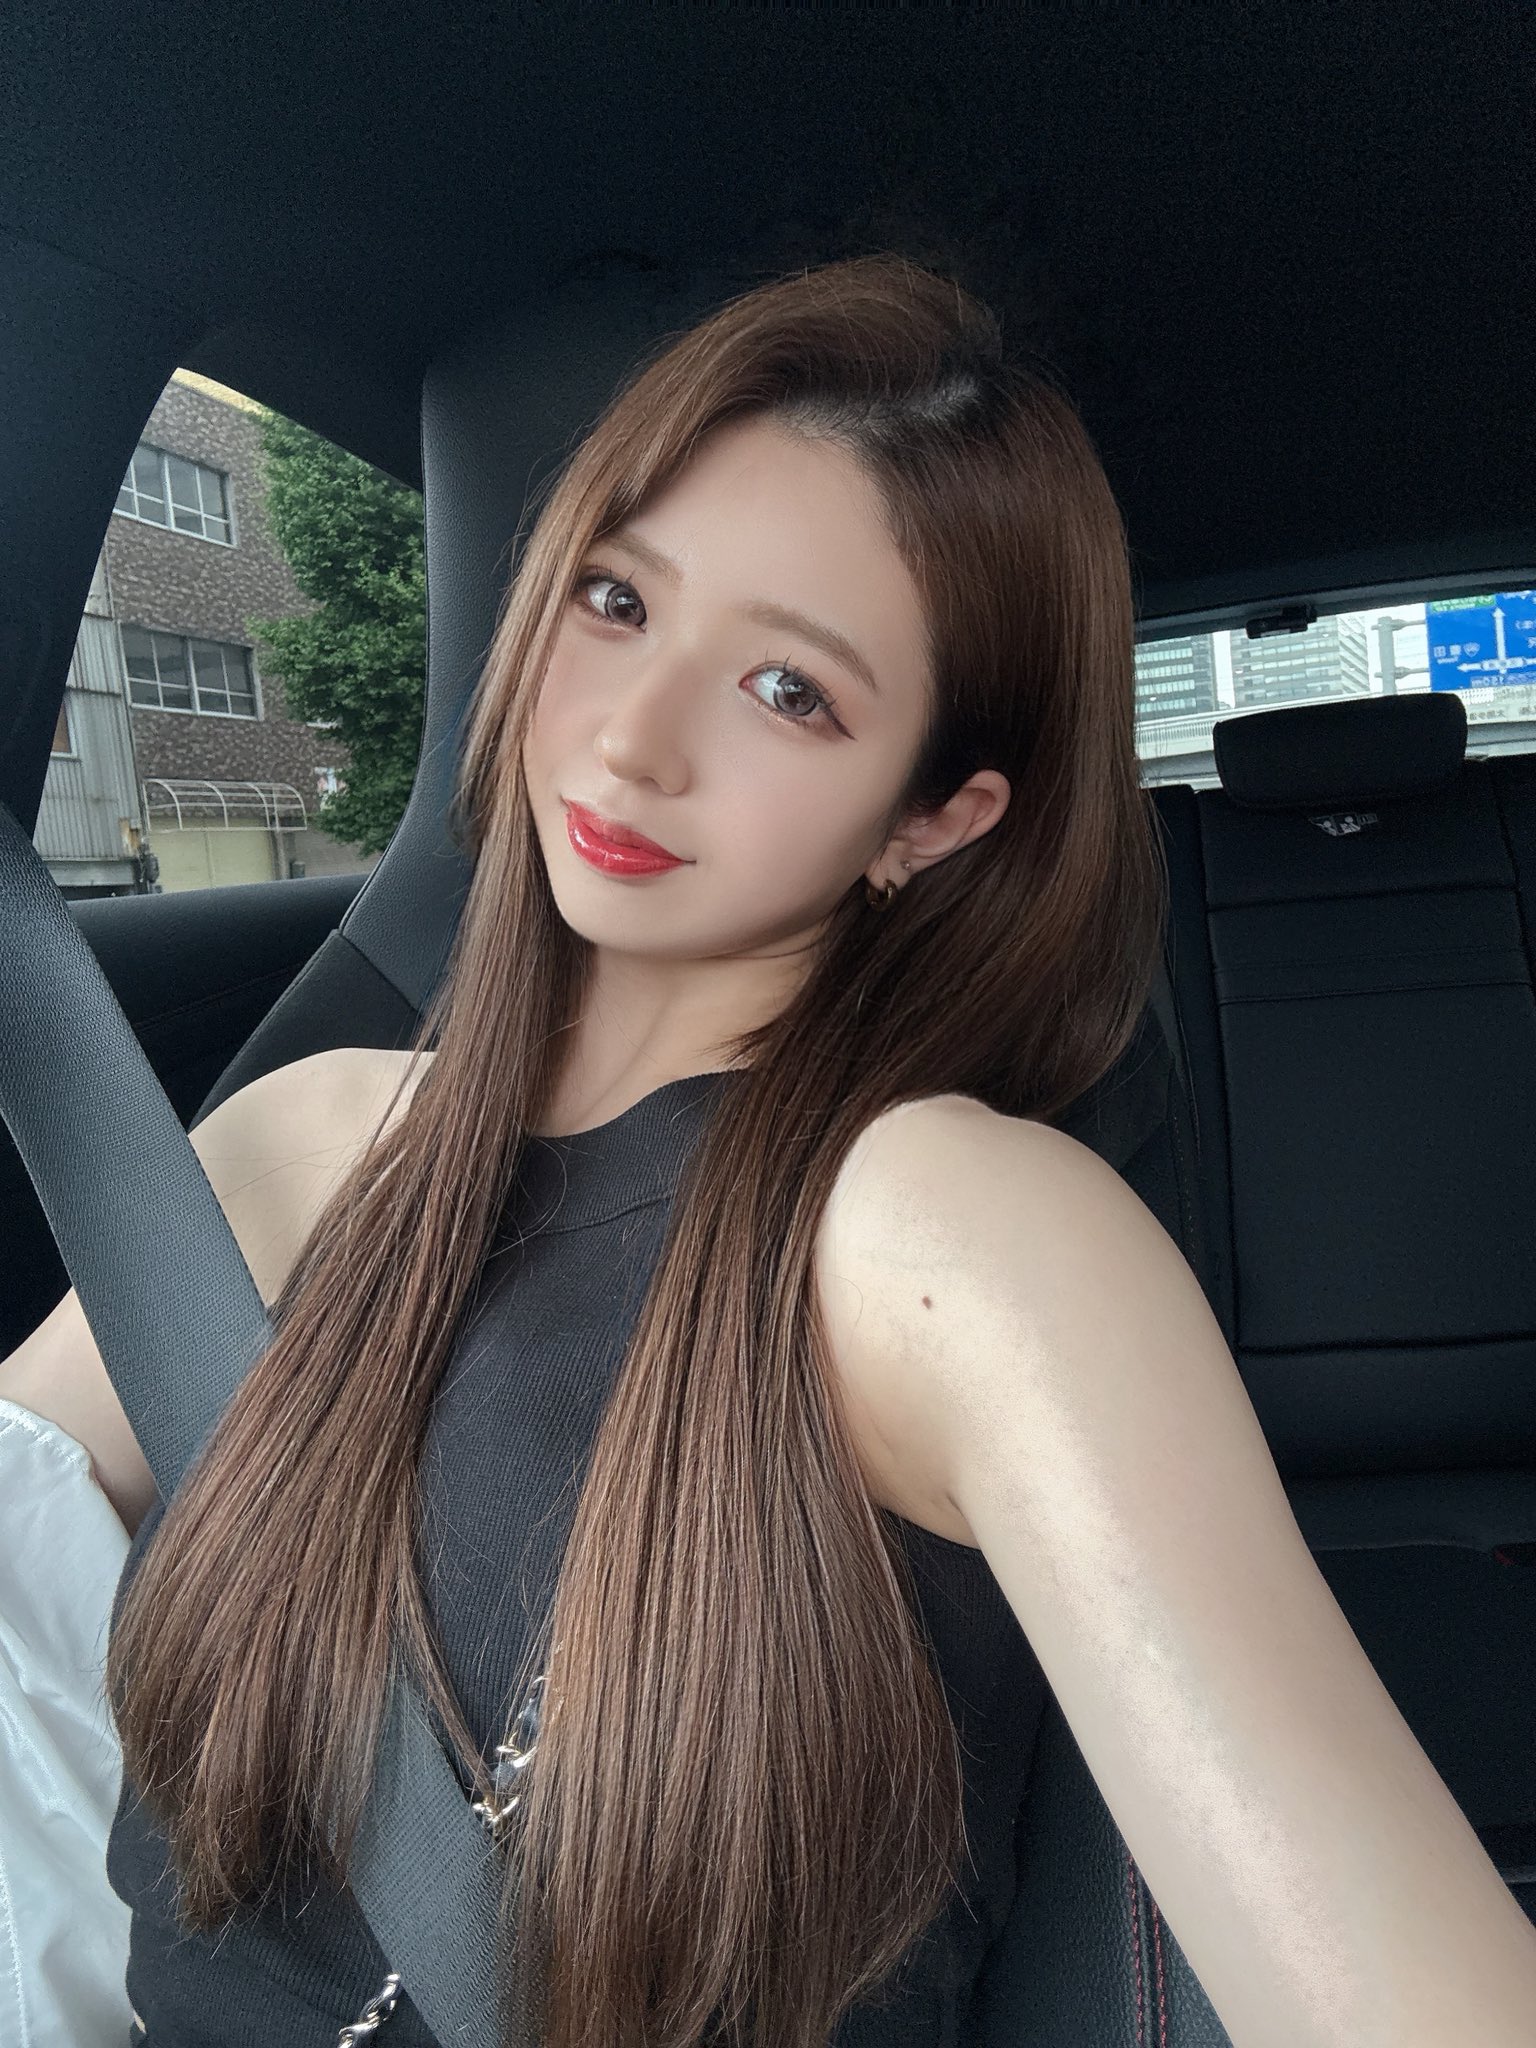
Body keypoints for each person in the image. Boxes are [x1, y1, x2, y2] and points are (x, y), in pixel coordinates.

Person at [6, 253, 1533, 2048]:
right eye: (615, 600)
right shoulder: (294, 1142)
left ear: (930, 821)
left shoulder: (953, 1235)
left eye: (791, 691)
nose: (632, 740)